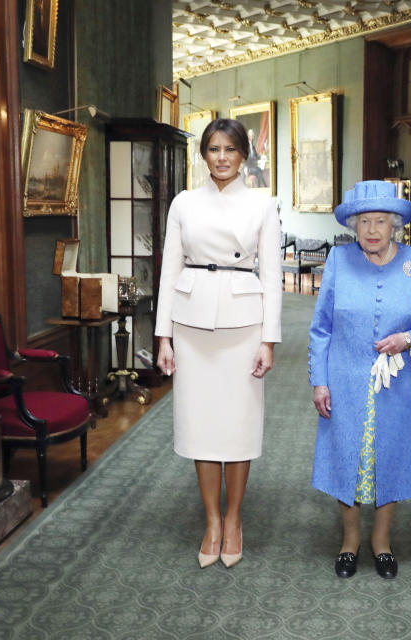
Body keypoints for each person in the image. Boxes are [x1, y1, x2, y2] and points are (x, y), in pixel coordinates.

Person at [155, 118, 282, 569]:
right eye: (213, 149)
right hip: (191, 325)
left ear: (244, 154)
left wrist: (269, 340)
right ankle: (211, 520)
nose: (222, 157)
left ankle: (234, 519)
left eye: (230, 149)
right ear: (203, 155)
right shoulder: (184, 203)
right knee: (201, 426)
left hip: (244, 324)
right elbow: (169, 271)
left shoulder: (263, 205)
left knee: (238, 428)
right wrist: (163, 336)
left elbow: (272, 275)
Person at [309, 180, 411, 580]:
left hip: (396, 385)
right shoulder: (337, 259)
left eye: (380, 221)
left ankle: (381, 542)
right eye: (364, 221)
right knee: (344, 458)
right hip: (345, 379)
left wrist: (409, 339)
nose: (371, 230)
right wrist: (320, 380)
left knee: (391, 459)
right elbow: (321, 328)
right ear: (353, 224)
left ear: (395, 225)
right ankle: (349, 541)